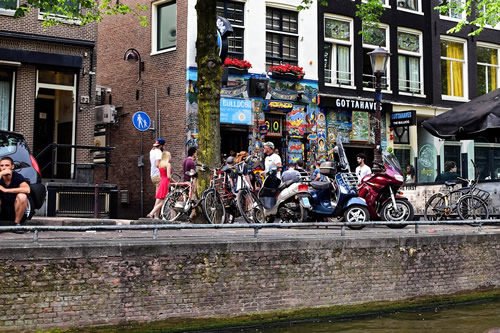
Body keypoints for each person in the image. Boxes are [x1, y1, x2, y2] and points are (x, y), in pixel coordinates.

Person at [0, 156, 31, 225]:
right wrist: (1, 174)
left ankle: (17, 224)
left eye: (7, 165)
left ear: (12, 167)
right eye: (2, 165)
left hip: (15, 211)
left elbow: (27, 189)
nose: (4, 168)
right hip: (2, 211)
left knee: (22, 196)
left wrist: (6, 190)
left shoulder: (17, 176)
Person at [147, 151, 172, 219]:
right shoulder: (168, 164)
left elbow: (161, 176)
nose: (170, 157)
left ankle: (155, 216)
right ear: (167, 157)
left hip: (161, 182)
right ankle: (151, 213)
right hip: (166, 183)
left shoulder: (161, 165)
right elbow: (168, 176)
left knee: (158, 200)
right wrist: (174, 181)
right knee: (163, 201)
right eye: (169, 156)